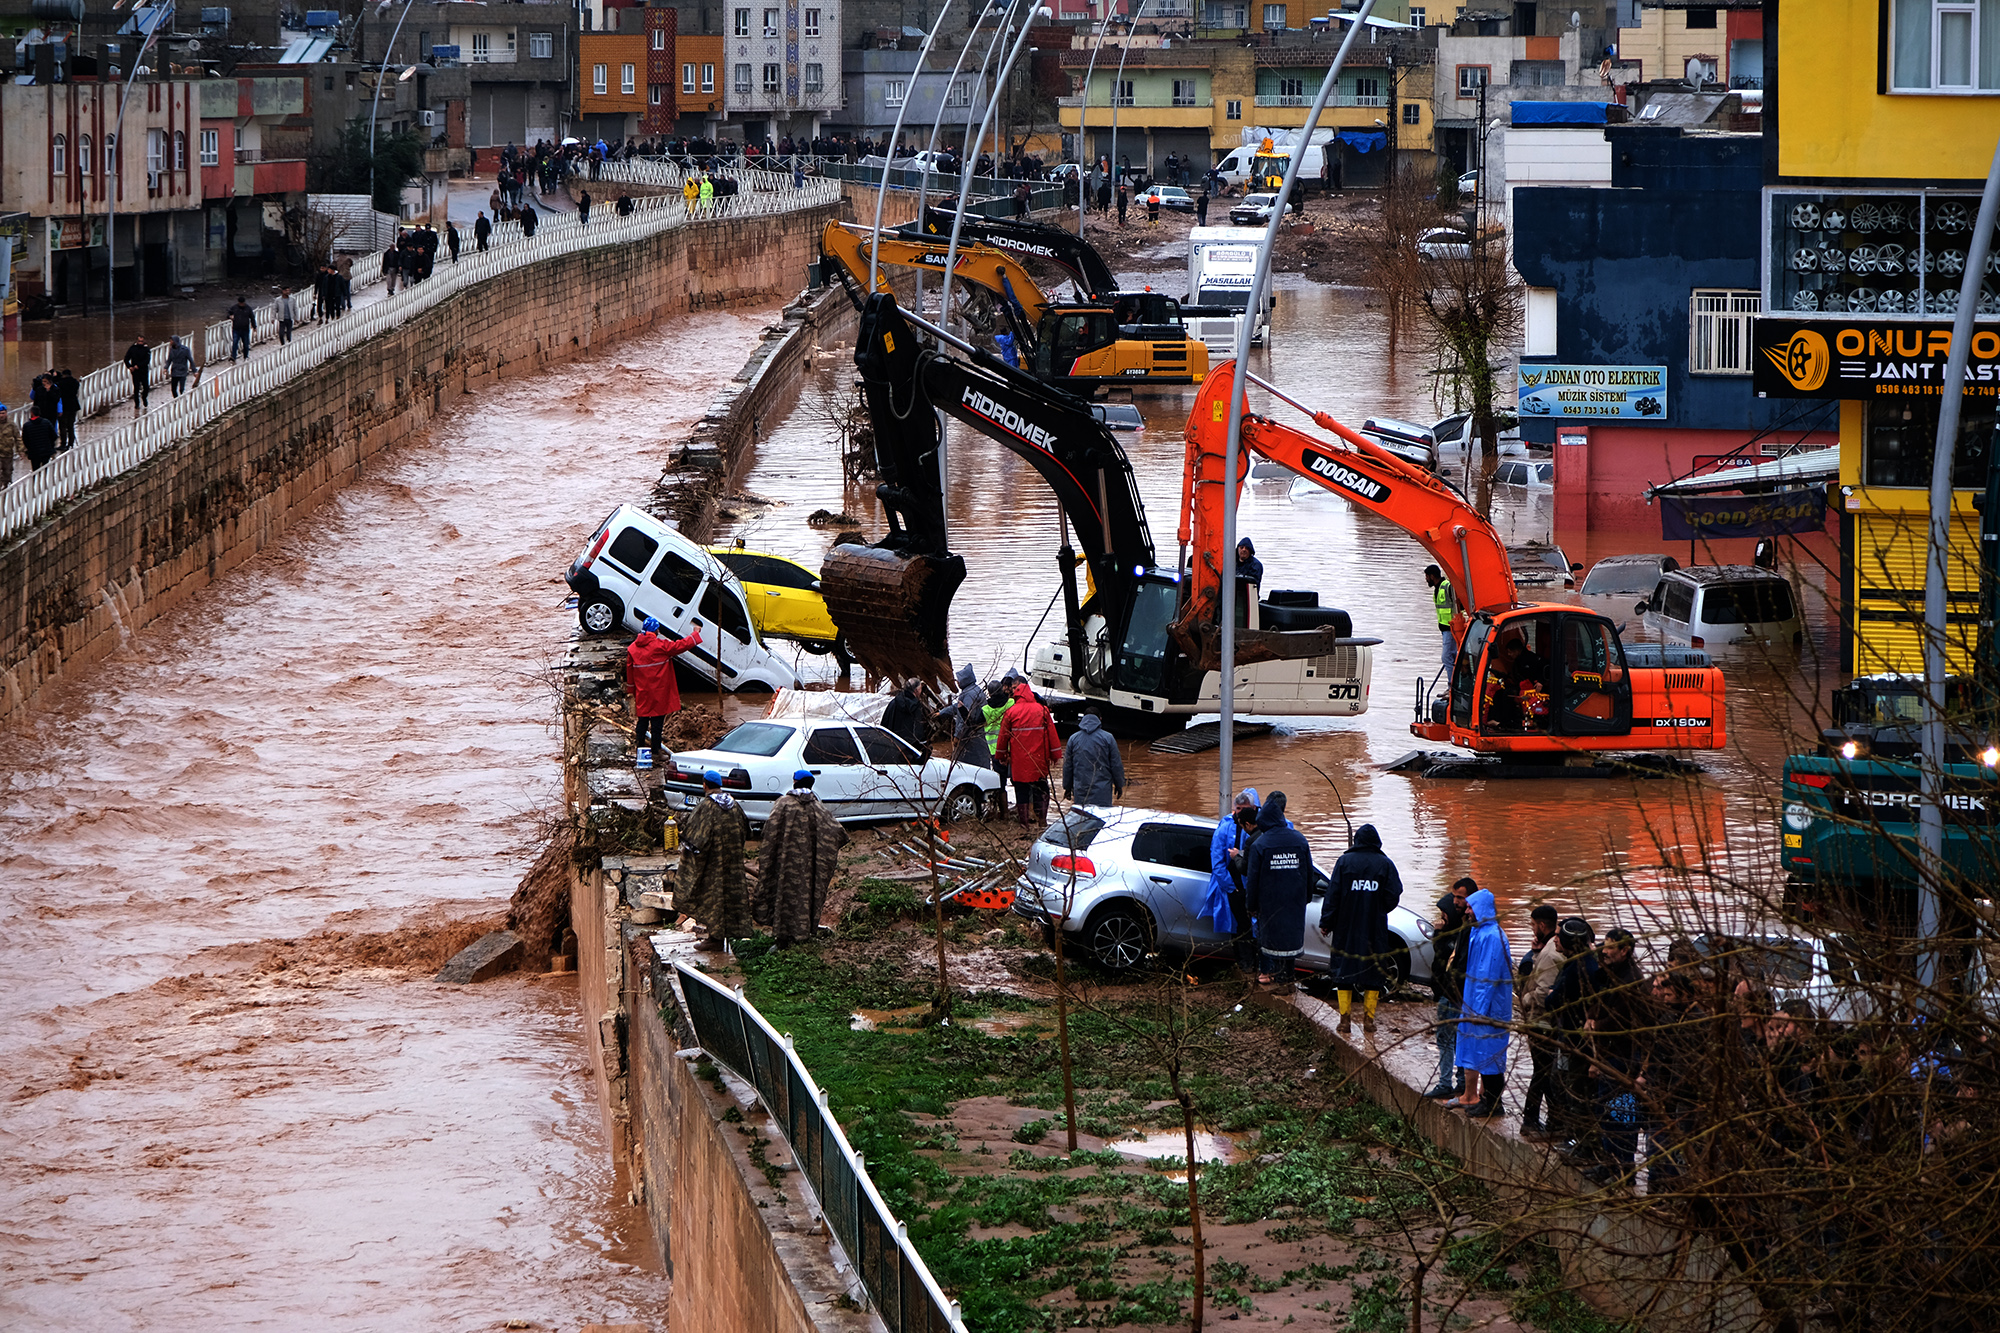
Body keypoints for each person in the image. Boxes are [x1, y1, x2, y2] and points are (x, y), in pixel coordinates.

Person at [1320, 824, 1404, 1036]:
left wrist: (1326, 922)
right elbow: (1394, 894)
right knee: (1374, 973)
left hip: (1345, 927)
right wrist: (1379, 908)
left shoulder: (1344, 862)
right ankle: (1369, 1021)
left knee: (1343, 972)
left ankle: (1344, 1020)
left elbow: (1333, 895)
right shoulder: (1385, 864)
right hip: (1373, 928)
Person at [753, 770, 848, 948]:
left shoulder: (783, 804)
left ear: (795, 782)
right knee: (804, 898)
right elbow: (837, 833)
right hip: (808, 867)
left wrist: (771, 854)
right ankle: (801, 935)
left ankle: (782, 940)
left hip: (784, 864)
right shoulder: (818, 808)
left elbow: (770, 831)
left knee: (782, 896)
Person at [1583, 926, 1647, 1183]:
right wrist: (1590, 1017)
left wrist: (1597, 1025)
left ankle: (1625, 1169)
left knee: (1622, 1116)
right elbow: (1596, 998)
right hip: (1608, 1054)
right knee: (1606, 1114)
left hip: (1623, 1059)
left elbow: (1623, 1021)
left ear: (1625, 951)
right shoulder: (1609, 974)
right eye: (1604, 945)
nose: (1605, 951)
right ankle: (1609, 1164)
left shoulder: (1631, 980)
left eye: (1610, 947)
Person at [1453, 886, 1513, 1117]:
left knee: (1491, 1054)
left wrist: (1476, 1011)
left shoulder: (1492, 937)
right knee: (1480, 1052)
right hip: (1477, 1005)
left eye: (1470, 907)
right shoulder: (1480, 933)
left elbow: (1487, 978)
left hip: (1489, 1009)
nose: (1467, 911)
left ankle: (1494, 1103)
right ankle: (1487, 1100)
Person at [1244, 792, 1313, 995]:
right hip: (1294, 902)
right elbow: (1308, 874)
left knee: (1274, 944)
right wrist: (1306, 897)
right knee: (1289, 945)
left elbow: (1253, 881)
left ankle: (1282, 984)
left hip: (1271, 903)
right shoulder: (1300, 840)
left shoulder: (1260, 845)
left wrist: (1251, 906)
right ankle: (1288, 981)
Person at [1543, 917, 1600, 1156]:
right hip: (1574, 1039)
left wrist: (1552, 994)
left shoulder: (1577, 968)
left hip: (1574, 1041)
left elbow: (1553, 1001)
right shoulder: (1589, 965)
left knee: (1572, 1090)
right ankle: (1577, 1139)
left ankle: (1579, 1142)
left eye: (1559, 936)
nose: (1554, 939)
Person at [677, 770, 752, 951]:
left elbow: (694, 838)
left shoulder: (706, 807)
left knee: (715, 900)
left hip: (713, 864)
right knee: (730, 898)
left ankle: (715, 938)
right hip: (732, 863)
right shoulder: (734, 806)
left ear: (705, 784)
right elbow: (746, 832)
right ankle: (727, 935)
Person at [625, 616, 703, 769]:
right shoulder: (660, 646)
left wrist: (631, 691)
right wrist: (695, 633)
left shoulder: (633, 648)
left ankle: (639, 748)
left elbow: (629, 672)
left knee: (642, 721)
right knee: (657, 723)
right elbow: (681, 645)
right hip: (658, 691)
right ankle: (655, 750)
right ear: (656, 630)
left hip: (642, 691)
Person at [1201, 788, 1262, 978]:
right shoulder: (1225, 827)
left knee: (1256, 928)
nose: (1239, 813)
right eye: (1238, 809)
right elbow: (1217, 861)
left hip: (1254, 887)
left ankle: (1257, 964)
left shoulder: (1261, 828)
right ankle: (1246, 964)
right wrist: (1231, 887)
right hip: (1235, 887)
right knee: (1240, 928)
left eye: (1244, 809)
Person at [1515, 904, 1564, 1136]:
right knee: (1544, 1073)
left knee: (1543, 1073)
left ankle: (1540, 1120)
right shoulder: (1551, 951)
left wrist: (1525, 999)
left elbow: (1543, 993)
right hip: (1543, 1023)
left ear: (1542, 925)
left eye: (1533, 925)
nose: (1533, 930)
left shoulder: (1549, 954)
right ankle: (1540, 1120)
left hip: (1540, 1021)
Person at [1423, 879, 1471, 1100]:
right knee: (1456, 1039)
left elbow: (1445, 959)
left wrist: (1439, 936)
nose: (1441, 916)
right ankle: (1460, 1082)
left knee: (1447, 1039)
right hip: (1452, 994)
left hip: (1450, 995)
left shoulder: (1457, 935)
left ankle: (1447, 1082)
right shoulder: (1460, 932)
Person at [994, 680, 1061, 829]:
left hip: (1019, 761)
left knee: (1021, 790)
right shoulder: (1042, 710)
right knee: (1041, 788)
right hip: (1039, 760)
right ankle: (1042, 821)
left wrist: (1001, 756)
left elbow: (1003, 737)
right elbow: (1052, 735)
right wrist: (1055, 755)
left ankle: (1024, 824)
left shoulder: (1011, 712)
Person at [1061, 705, 1124, 807]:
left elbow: (1068, 766)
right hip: (1103, 790)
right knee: (1102, 819)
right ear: (1100, 719)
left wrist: (1067, 787)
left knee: (1082, 818)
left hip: (1081, 789)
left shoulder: (1073, 739)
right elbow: (1116, 764)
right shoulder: (1108, 738)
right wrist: (1119, 784)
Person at [880, 679, 930, 754]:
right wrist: (923, 745)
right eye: (920, 689)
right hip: (909, 746)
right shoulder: (917, 707)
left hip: (894, 743)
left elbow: (885, 720)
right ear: (916, 690)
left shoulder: (894, 702)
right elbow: (918, 727)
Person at [1424, 564, 1454, 673]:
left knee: (1446, 657)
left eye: (1427, 577)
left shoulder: (1446, 586)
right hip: (1445, 628)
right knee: (1453, 655)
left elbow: (1459, 604)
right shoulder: (1438, 589)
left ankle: (1452, 684)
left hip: (1450, 628)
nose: (1426, 579)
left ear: (1432, 576)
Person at [22, 404, 59, 471]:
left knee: (35, 470)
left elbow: (25, 439)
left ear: (32, 413)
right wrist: (49, 445)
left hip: (34, 452)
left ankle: (36, 481)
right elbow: (54, 436)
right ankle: (44, 480)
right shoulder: (46, 422)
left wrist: (29, 448)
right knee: (46, 469)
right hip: (46, 451)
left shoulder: (27, 425)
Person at [123, 337, 151, 415]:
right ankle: (137, 403)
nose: (140, 343)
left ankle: (144, 397)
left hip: (144, 371)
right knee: (136, 387)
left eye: (142, 341)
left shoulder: (146, 349)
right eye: (139, 341)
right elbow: (126, 359)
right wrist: (130, 367)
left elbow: (147, 360)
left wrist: (138, 365)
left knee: (146, 386)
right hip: (135, 372)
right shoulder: (132, 348)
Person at [55, 368, 79, 450]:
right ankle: (71, 443)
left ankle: (63, 444)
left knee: (62, 426)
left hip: (64, 406)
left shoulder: (60, 383)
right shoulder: (75, 382)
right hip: (73, 406)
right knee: (70, 425)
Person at [228, 296, 256, 361]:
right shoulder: (234, 308)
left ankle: (246, 356)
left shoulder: (248, 308)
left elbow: (252, 317)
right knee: (235, 342)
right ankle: (233, 357)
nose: (241, 304)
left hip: (245, 329)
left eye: (242, 303)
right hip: (236, 328)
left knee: (246, 344)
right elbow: (228, 313)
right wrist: (230, 316)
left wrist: (254, 326)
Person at [0, 402, 17, 487]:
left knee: (7, 472)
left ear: (6, 413)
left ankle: (6, 486)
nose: (1, 415)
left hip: (7, 453)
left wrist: (21, 450)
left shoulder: (11, 425)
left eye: (3, 413)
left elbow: (18, 437)